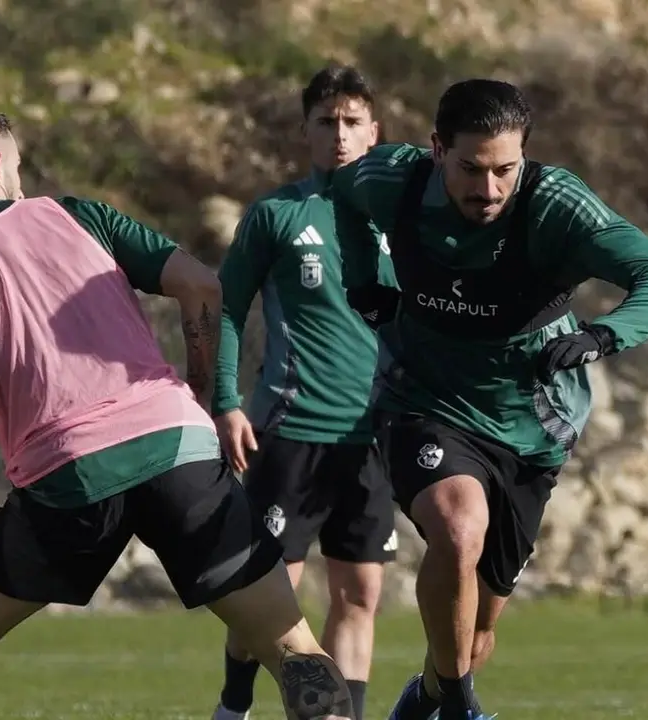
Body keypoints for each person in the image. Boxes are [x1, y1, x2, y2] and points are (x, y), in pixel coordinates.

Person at [0, 105, 354, 720]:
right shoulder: (76, 214)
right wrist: (196, 391)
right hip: (179, 450)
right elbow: (201, 284)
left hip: (68, 484)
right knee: (295, 650)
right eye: (16, 165)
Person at [332, 79, 648, 720]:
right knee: (456, 526)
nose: (489, 189)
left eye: (505, 168)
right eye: (471, 168)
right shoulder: (395, 179)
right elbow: (345, 194)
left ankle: (430, 698)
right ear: (437, 148)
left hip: (532, 424)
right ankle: (463, 709)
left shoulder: (556, 206)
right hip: (423, 398)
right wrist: (365, 280)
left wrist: (603, 333)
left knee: (473, 635)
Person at [210, 65, 399, 720]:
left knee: (359, 595)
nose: (340, 135)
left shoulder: (402, 220)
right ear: (306, 132)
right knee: (270, 596)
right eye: (327, 123)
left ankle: (344, 715)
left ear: (374, 132)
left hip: (374, 440)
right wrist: (226, 401)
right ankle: (235, 703)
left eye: (352, 122)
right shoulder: (279, 214)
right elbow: (226, 309)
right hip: (289, 431)